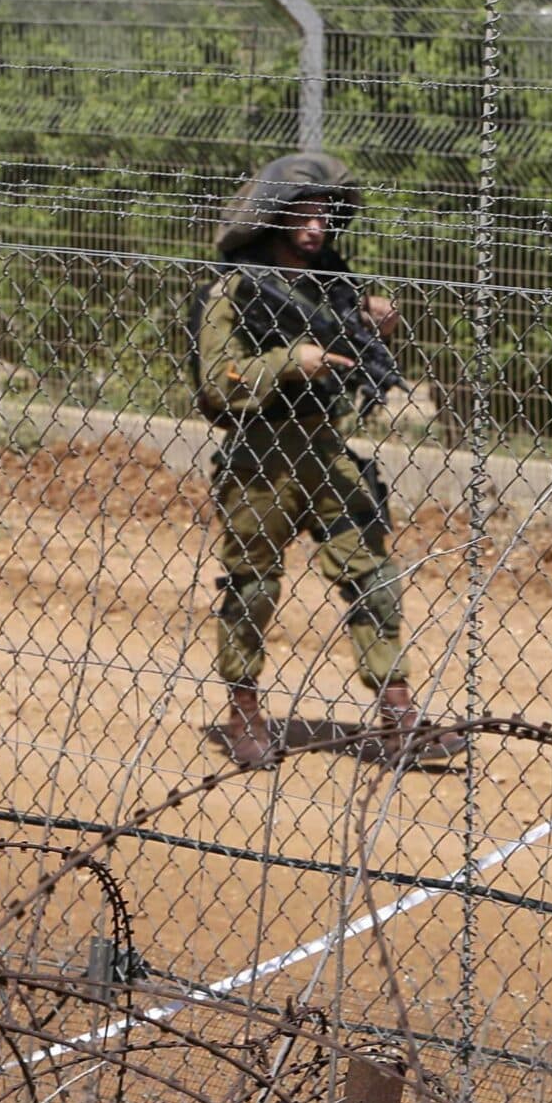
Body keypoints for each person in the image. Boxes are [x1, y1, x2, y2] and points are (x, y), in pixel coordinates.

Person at [192, 151, 458, 767]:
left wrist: (372, 325)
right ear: (274, 219)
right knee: (252, 587)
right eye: (302, 215)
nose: (315, 228)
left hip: (324, 448)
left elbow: (356, 348)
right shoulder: (232, 291)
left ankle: (398, 717)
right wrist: (292, 361)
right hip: (258, 455)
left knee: (373, 576)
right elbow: (216, 384)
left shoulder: (333, 288)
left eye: (324, 216)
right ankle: (245, 714)